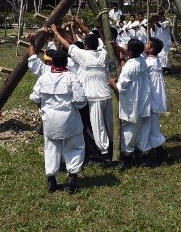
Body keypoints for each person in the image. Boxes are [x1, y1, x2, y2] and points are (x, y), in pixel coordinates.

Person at [28, 45, 87, 193]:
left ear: (52, 62)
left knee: (51, 149)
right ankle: (72, 178)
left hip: (50, 121)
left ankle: (52, 180)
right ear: (66, 63)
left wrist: (44, 108)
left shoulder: (44, 78)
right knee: (74, 147)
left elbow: (35, 98)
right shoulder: (72, 78)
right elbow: (80, 101)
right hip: (70, 120)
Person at [52, 23, 113, 164]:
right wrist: (79, 25)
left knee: (98, 127)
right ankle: (113, 147)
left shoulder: (84, 56)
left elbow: (67, 45)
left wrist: (56, 32)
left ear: (85, 45)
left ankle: (105, 155)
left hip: (94, 97)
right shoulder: (103, 53)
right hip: (107, 95)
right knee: (109, 124)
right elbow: (100, 39)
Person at [109, 38, 152, 168]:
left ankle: (127, 155)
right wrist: (116, 47)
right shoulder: (143, 61)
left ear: (131, 51)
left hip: (131, 102)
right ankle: (142, 152)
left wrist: (112, 83)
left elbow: (121, 87)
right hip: (143, 101)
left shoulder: (129, 66)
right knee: (141, 128)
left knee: (129, 129)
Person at [144, 37, 168, 164]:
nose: (145, 44)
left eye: (147, 44)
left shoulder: (149, 64)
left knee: (153, 128)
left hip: (151, 100)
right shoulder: (154, 61)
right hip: (154, 100)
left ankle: (160, 154)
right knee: (151, 126)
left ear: (151, 49)